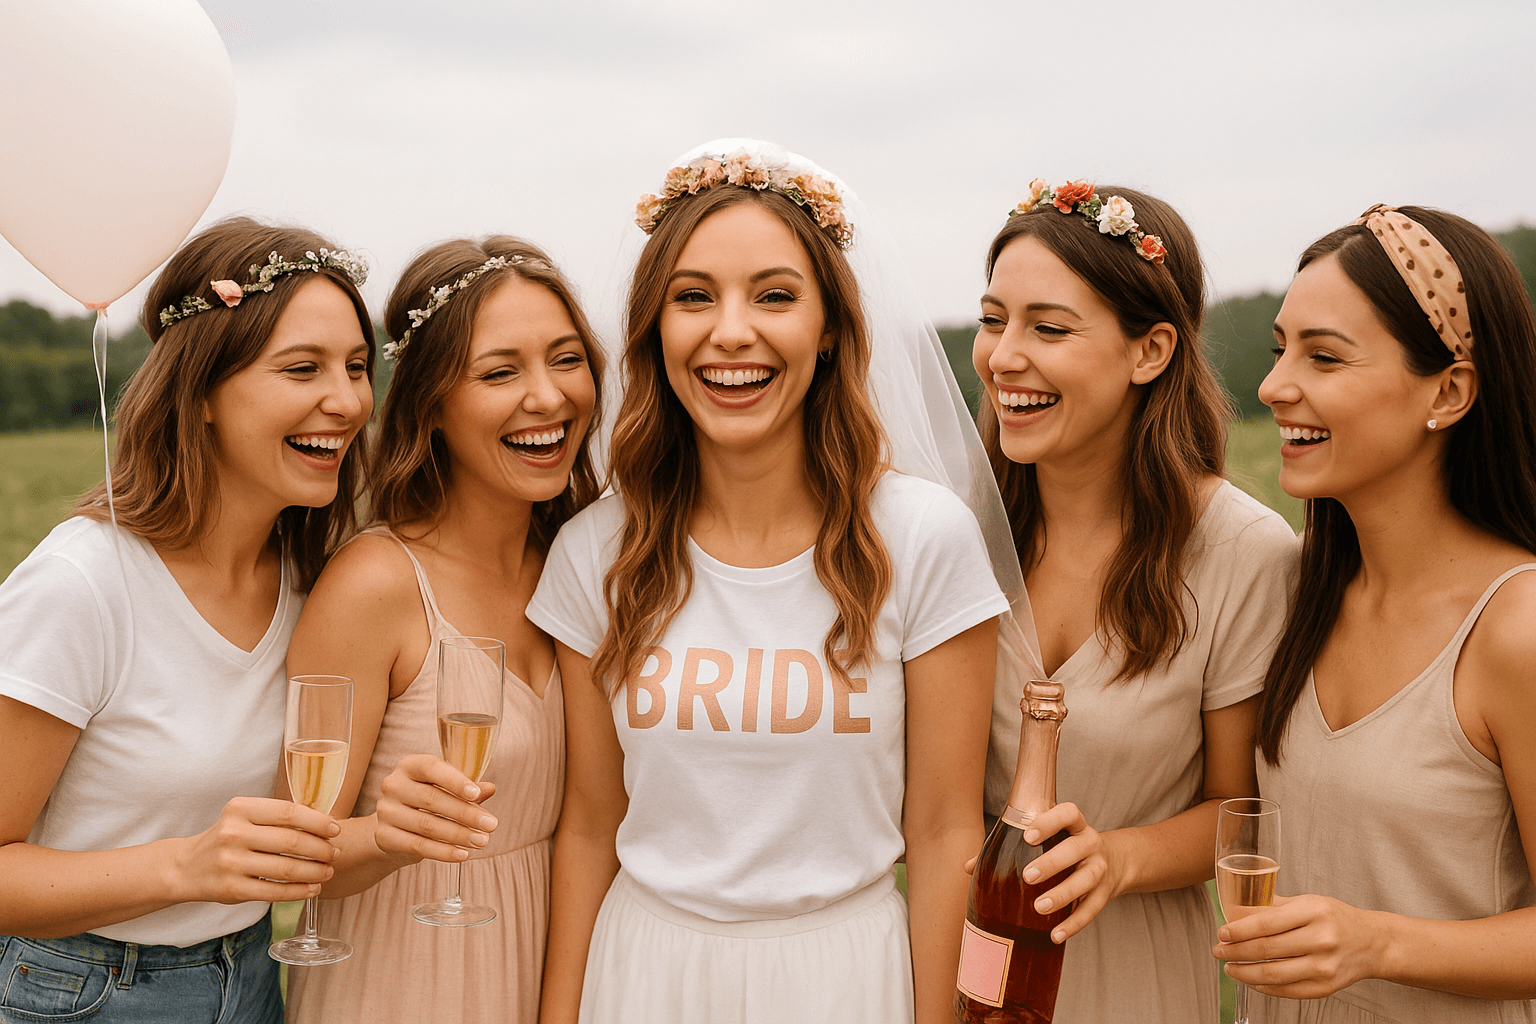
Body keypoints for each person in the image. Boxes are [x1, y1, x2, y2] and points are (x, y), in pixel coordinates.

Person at [528, 139, 1013, 1024]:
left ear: (829, 330)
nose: (731, 332)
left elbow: (945, 834)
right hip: (644, 977)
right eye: (693, 298)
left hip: (846, 977)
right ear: (654, 329)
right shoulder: (595, 551)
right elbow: (592, 826)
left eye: (776, 296)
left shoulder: (923, 538)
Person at [0, 218, 374, 1023]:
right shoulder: (84, 584)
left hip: (250, 979)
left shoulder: (317, 580)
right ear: (202, 392)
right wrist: (186, 866)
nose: (345, 401)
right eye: (302, 368)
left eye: (356, 367)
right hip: (83, 991)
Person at [973, 180, 1298, 1021]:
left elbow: (1242, 809)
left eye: (1048, 328)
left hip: (1137, 977)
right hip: (961, 962)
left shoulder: (1244, 553)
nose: (1004, 355)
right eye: (992, 318)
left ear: (1149, 352)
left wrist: (1115, 859)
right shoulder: (956, 535)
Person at [1215, 205, 1536, 1023]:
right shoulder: (1300, 589)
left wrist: (1378, 944)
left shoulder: (1516, 630)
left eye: (1323, 356)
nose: (1274, 384)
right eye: (1282, 346)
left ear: (1450, 390)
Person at [280, 236, 604, 1024]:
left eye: (566, 359)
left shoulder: (588, 562)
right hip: (400, 980)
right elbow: (299, 863)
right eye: (500, 373)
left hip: (553, 972)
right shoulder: (375, 584)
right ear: (430, 404)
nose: (548, 397)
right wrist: (388, 835)